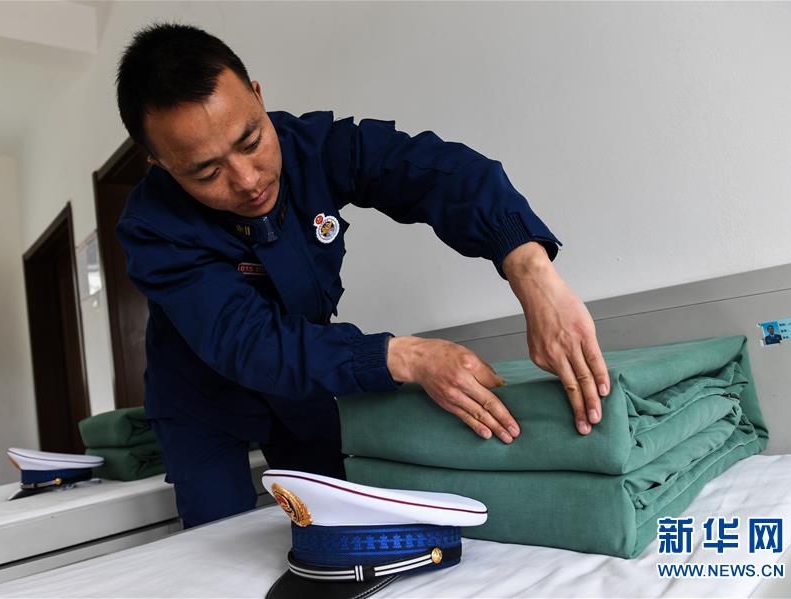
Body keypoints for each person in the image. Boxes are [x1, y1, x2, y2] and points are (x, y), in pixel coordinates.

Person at [115, 23, 610, 528]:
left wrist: (529, 268)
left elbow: (441, 173)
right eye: (207, 172)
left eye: (252, 140)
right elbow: (249, 341)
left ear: (258, 97)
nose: (248, 179)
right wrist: (405, 356)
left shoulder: (315, 148)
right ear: (161, 163)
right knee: (216, 538)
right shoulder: (152, 230)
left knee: (336, 518)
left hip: (306, 378)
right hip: (202, 401)